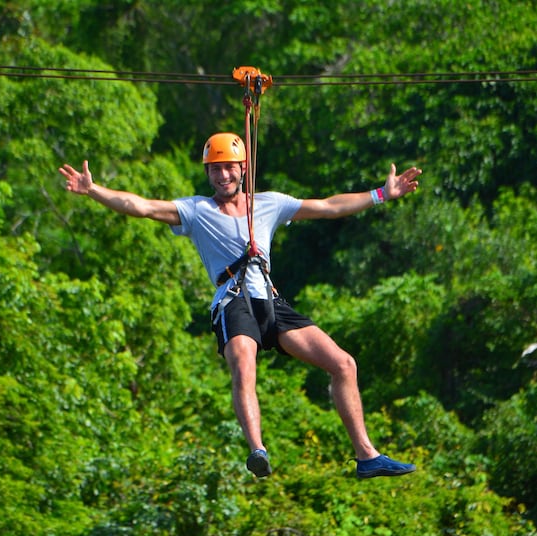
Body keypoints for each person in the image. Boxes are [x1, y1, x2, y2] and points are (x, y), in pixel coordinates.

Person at [59, 132, 422, 479]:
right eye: (216, 169)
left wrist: (380, 194)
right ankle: (257, 449)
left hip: (270, 301)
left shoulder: (270, 204)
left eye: (230, 166)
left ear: (243, 168)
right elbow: (141, 206)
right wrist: (93, 191)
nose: (223, 175)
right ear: (207, 173)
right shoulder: (197, 211)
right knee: (244, 361)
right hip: (234, 302)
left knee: (343, 363)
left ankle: (366, 456)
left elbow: (327, 207)